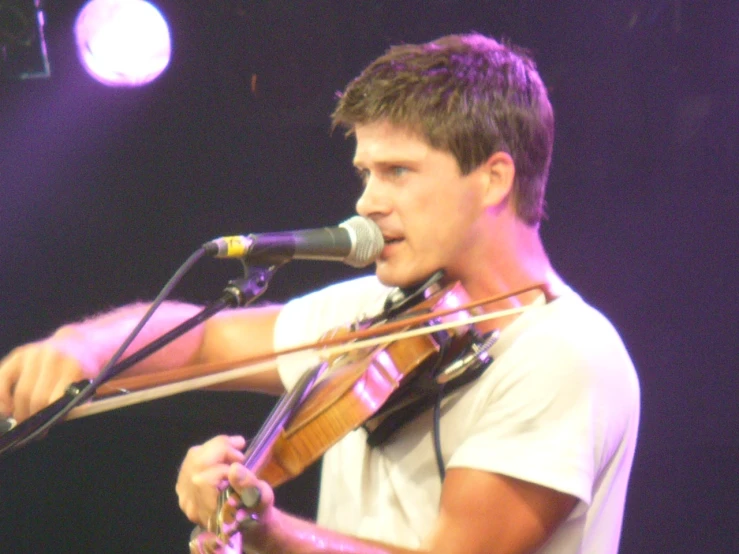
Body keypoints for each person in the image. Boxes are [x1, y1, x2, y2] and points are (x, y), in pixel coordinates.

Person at [0, 33, 640, 554]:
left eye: (398, 171)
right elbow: (203, 339)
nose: (366, 201)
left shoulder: (563, 353)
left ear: (494, 177)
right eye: (366, 172)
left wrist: (274, 537)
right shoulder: (382, 313)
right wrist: (83, 348)